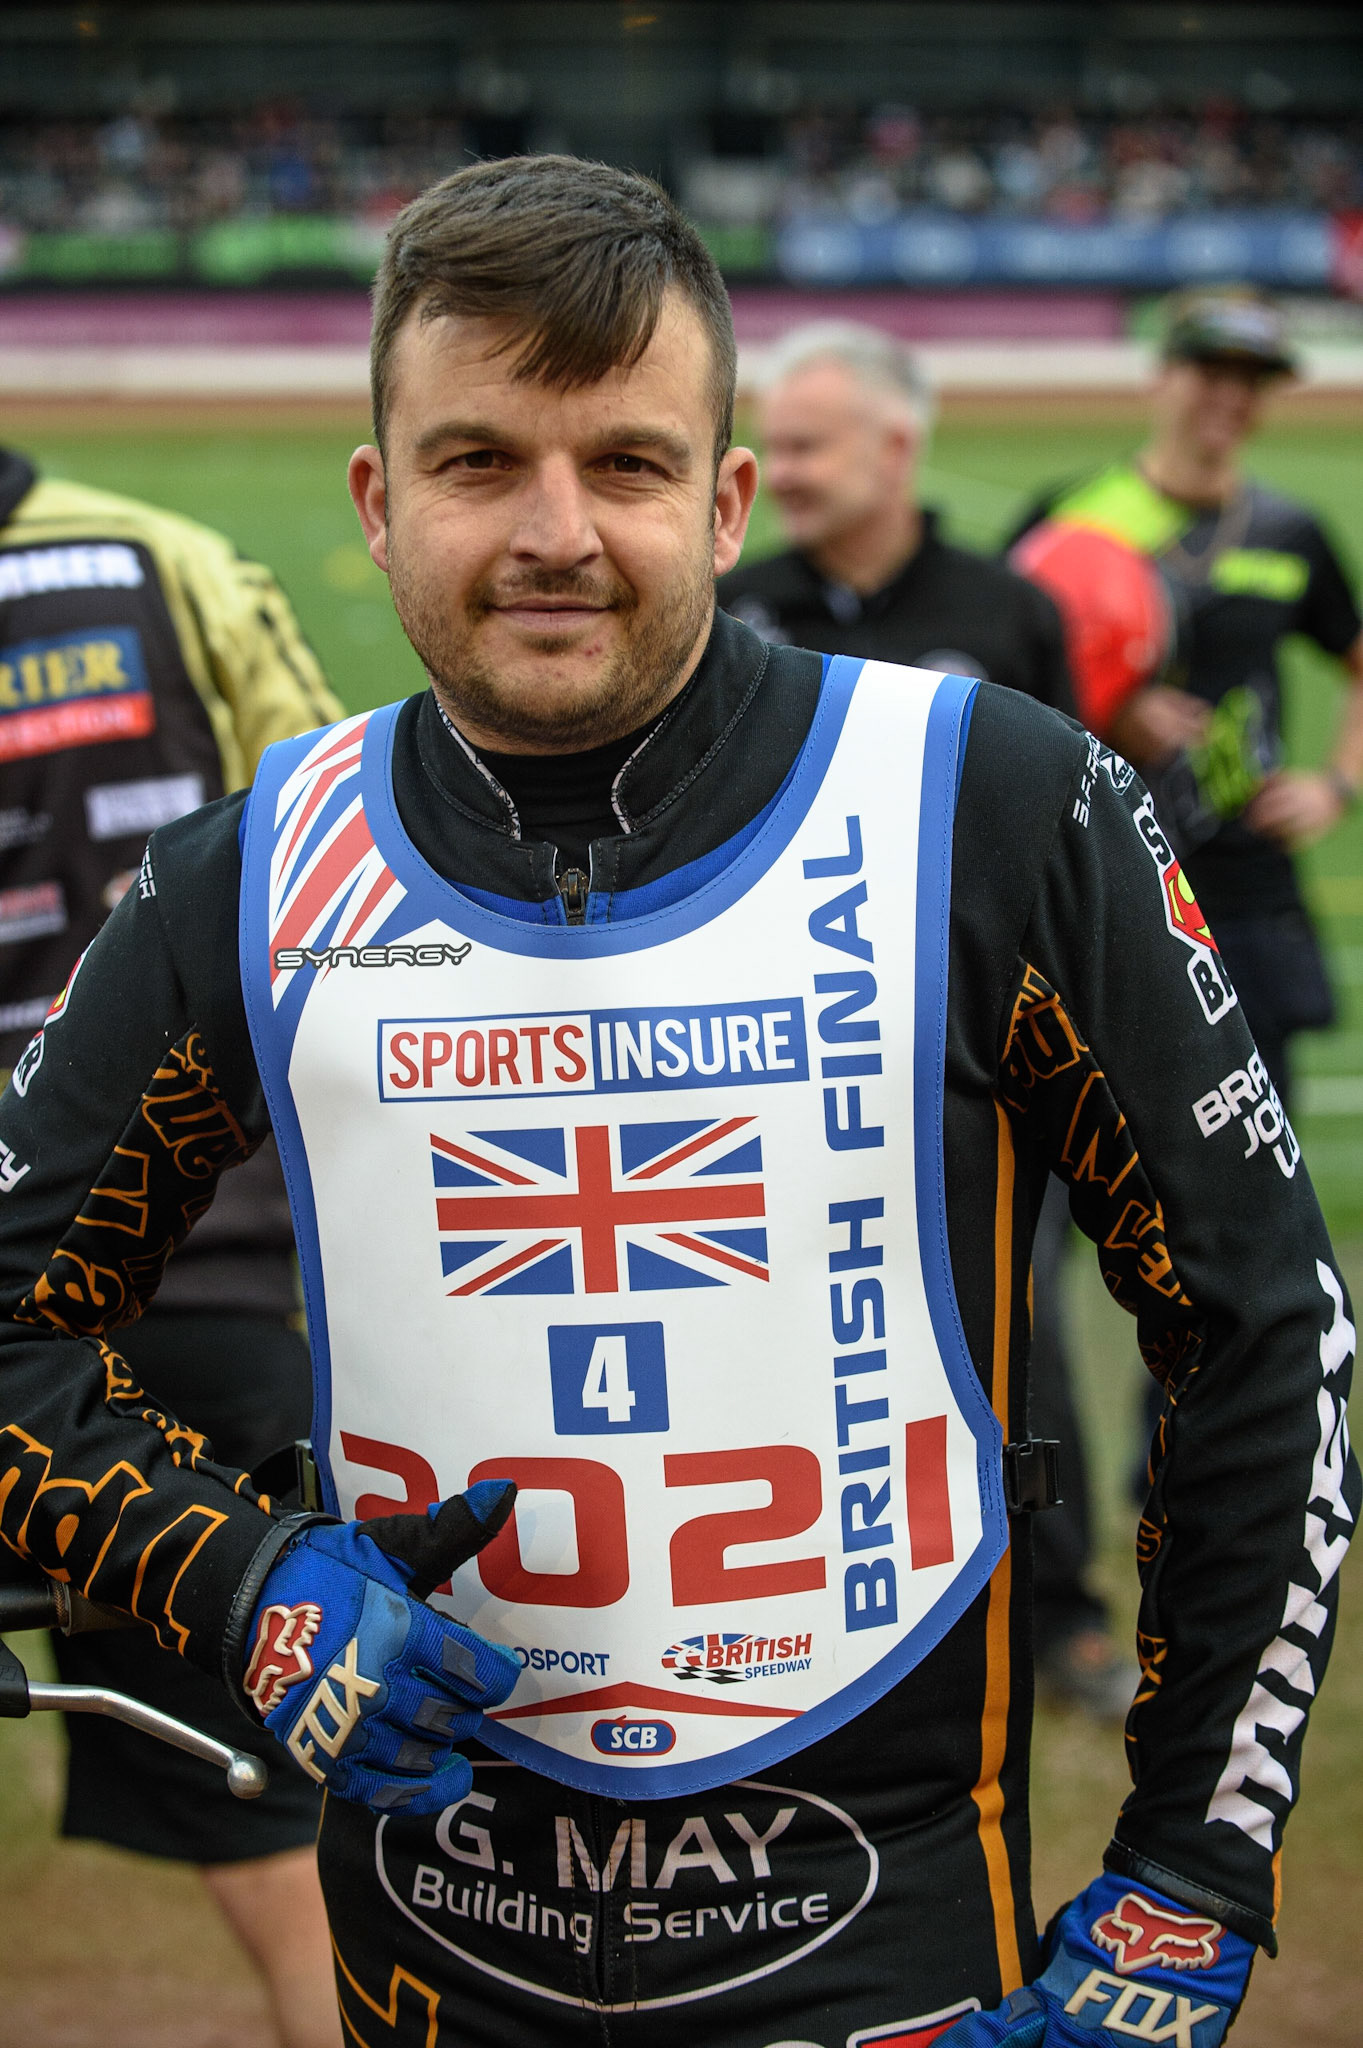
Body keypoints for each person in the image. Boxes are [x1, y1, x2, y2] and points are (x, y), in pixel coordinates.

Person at [0, 159, 1355, 2048]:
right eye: (479, 463)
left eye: (625, 464)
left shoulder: (994, 801)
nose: (554, 532)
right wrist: (238, 1576)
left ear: (723, 502)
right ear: (379, 504)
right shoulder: (250, 873)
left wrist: (1187, 1878)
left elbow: (1259, 1325)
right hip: (428, 1960)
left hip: (884, 1938)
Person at [719, 325, 1127, 1724]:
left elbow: (1070, 833)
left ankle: (1062, 1612)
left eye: (808, 444)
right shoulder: (734, 607)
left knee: (1017, 1325)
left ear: (895, 448)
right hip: (785, 1053)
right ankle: (831, 1599)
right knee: (795, 1324)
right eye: (771, 441)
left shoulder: (1005, 611)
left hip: (984, 1049)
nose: (778, 470)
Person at [0, 445, 343, 2048]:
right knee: (286, 1819)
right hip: (190, 1246)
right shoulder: (168, 558)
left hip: (85, 1285)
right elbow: (347, 864)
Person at [1010, 287, 1363, 1109]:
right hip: (1100, 874)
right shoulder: (1071, 523)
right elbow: (998, 682)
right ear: (1162, 376)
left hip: (1244, 886)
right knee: (1090, 1136)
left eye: (1253, 380)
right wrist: (1103, 709)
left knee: (1256, 1139)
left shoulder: (1288, 531)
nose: (1230, 398)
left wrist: (1335, 787)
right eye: (1211, 372)